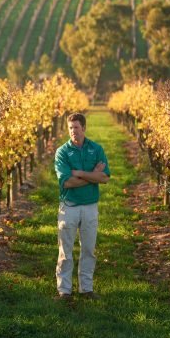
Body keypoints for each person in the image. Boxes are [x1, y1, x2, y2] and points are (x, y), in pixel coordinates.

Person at [53, 112, 110, 300]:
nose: (73, 132)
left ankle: (86, 289)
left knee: (89, 250)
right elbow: (67, 182)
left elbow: (105, 178)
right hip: (68, 206)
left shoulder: (96, 149)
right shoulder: (62, 152)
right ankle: (64, 291)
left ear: (84, 128)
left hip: (89, 206)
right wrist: (92, 175)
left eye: (76, 128)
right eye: (70, 128)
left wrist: (79, 173)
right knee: (65, 250)